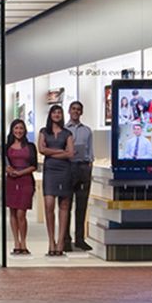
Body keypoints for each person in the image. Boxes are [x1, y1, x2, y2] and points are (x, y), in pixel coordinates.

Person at [37, 104, 74, 256]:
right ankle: (50, 241)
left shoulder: (67, 133)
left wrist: (51, 152)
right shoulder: (43, 131)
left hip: (64, 170)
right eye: (54, 112)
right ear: (50, 115)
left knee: (64, 205)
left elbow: (70, 153)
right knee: (49, 204)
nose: (57, 115)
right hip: (50, 171)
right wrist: (60, 151)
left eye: (59, 112)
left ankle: (60, 243)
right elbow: (41, 149)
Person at [3, 119, 37, 255]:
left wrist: (20, 172)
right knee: (12, 211)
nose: (19, 131)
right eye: (16, 128)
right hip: (11, 181)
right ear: (12, 130)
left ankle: (24, 242)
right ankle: (16, 242)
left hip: (26, 180)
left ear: (25, 130)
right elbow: (1, 163)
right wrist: (8, 170)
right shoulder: (6, 147)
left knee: (21, 213)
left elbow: (34, 165)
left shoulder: (30, 146)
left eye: (21, 128)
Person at [64, 100, 94, 253]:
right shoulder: (63, 130)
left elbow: (90, 153)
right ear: (69, 111)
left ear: (81, 112)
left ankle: (80, 239)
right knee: (66, 206)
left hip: (83, 168)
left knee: (81, 206)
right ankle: (65, 240)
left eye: (78, 109)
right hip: (68, 168)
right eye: (73, 109)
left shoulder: (87, 131)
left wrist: (89, 167)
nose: (76, 111)